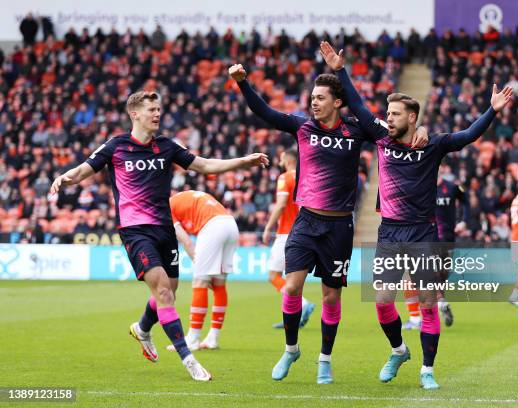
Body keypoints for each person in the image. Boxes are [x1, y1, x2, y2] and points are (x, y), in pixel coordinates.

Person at [320, 40, 512, 389]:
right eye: (387, 113)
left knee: (427, 303)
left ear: (412, 118)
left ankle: (427, 370)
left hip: (423, 233)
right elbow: (359, 104)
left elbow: (469, 135)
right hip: (390, 232)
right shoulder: (380, 137)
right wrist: (339, 69)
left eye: (394, 114)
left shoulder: (434, 145)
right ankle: (398, 350)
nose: (387, 118)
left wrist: (492, 110)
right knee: (381, 302)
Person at [229, 62, 428, 384]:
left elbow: (396, 132)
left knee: (331, 297)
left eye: (320, 97)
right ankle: (291, 349)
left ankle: (325, 360)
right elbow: (264, 111)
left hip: (339, 227)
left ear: (337, 102)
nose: (313, 102)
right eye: (312, 97)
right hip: (306, 222)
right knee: (291, 286)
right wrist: (243, 83)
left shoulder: (356, 129)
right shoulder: (302, 127)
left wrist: (422, 130)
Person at [49, 90, 268, 381]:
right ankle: (189, 360)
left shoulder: (166, 146)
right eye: (151, 109)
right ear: (134, 114)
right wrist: (64, 177)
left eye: (159, 109)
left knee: (170, 291)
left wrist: (242, 161)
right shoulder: (116, 146)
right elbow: (82, 171)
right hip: (135, 230)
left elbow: (203, 165)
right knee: (164, 292)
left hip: (164, 229)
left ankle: (142, 328)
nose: (157, 114)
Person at [166, 190, 239, 351]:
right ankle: (213, 338)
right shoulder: (183, 197)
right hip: (230, 224)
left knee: (200, 281)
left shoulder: (165, 207)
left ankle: (192, 339)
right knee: (219, 284)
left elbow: (186, 242)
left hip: (212, 227)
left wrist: (198, 262)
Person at [403, 175, 467, 329]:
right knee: (436, 279)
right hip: (442, 240)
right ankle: (436, 307)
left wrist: (463, 220)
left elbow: (465, 200)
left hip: (430, 239)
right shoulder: (429, 186)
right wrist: (464, 220)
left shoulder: (443, 187)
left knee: (414, 278)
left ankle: (417, 318)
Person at [262, 150, 315, 329]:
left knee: (273, 275)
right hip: (304, 232)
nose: (280, 160)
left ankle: (303, 304)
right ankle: (295, 317)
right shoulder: (306, 176)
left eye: (282, 157)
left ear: (287, 159)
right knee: (293, 278)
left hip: (286, 233)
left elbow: (281, 204)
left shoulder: (285, 178)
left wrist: (268, 227)